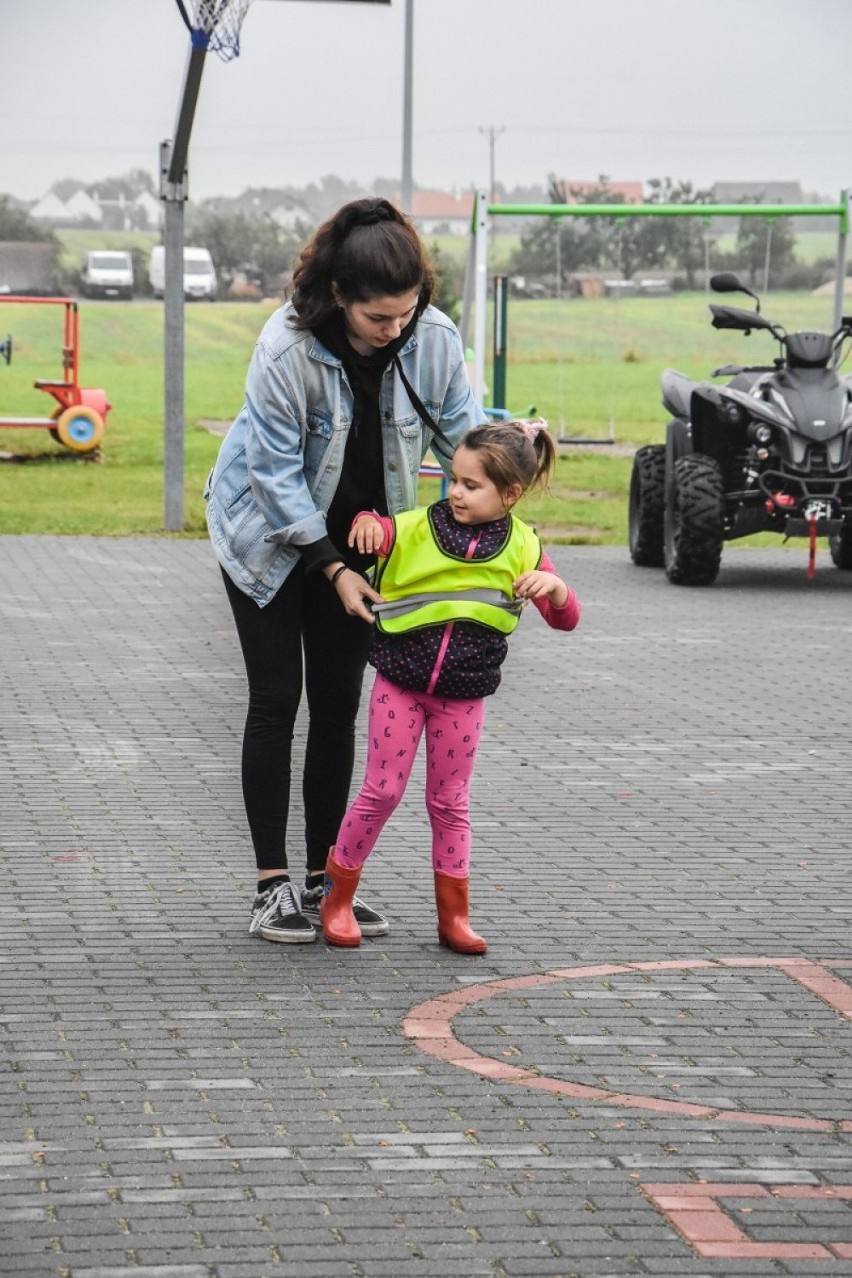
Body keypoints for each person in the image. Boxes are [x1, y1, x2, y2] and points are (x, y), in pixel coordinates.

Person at [205, 198, 484, 944]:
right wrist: (328, 568)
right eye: (379, 320)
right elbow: (271, 474)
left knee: (337, 707)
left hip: (363, 542)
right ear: (339, 296)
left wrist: (512, 457)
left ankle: (329, 882)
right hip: (265, 534)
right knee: (278, 700)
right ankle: (272, 887)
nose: (396, 330)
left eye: (407, 312)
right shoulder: (285, 349)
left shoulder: (433, 338)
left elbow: (467, 435)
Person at [319, 419, 582, 954]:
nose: (456, 492)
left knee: (450, 802)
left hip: (463, 697)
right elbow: (378, 527)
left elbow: (566, 619)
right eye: (452, 479)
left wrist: (554, 586)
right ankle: (337, 899)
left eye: (471, 485)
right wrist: (369, 522)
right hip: (401, 685)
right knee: (382, 791)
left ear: (509, 494)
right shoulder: (416, 527)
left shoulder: (526, 548)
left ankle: (454, 917)